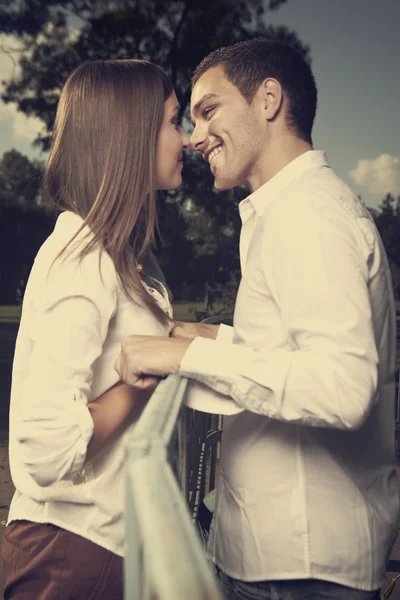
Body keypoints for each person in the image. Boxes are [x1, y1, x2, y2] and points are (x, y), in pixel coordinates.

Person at [115, 38, 400, 599]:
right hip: (286, 557)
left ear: (268, 99)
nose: (195, 137)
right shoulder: (285, 211)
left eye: (209, 110)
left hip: (303, 566)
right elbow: (293, 348)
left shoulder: (309, 215)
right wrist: (211, 335)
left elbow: (341, 386)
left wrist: (186, 356)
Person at [0, 59, 190, 599]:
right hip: (69, 555)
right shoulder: (82, 256)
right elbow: (43, 447)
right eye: (175, 121)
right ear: (131, 135)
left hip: (107, 549)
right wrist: (138, 382)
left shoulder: (126, 256)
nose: (188, 139)